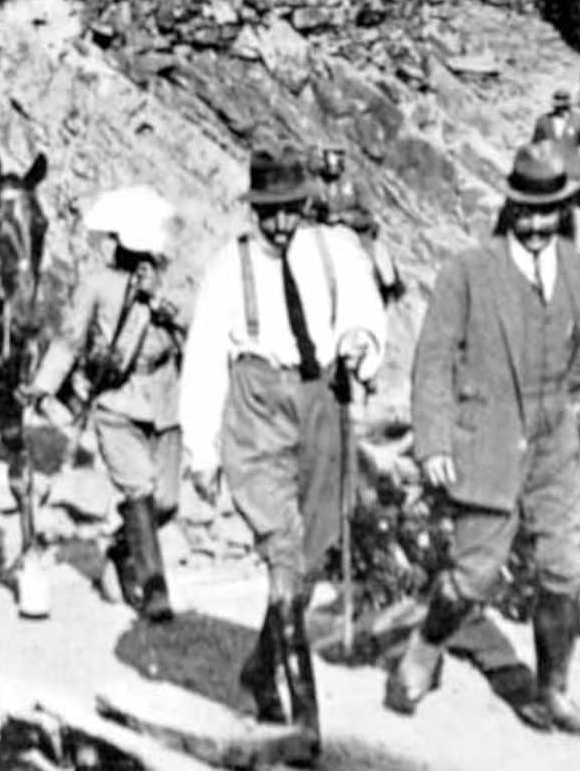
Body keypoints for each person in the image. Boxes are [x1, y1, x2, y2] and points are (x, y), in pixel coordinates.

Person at [386, 137, 580, 736]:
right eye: (526, 211)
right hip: (486, 440)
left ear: (563, 210)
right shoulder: (468, 273)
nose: (537, 224)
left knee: (565, 568)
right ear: (510, 207)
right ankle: (426, 645)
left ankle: (552, 692)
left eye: (549, 212)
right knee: (475, 576)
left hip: (552, 445)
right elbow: (433, 359)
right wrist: (435, 441)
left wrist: (558, 395)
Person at [178, 148, 388, 764]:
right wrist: (201, 448)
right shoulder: (228, 268)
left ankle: (260, 671)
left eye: (289, 212)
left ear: (305, 207)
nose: (279, 225)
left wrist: (359, 343)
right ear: (254, 210)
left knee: (315, 550)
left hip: (320, 400)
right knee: (283, 551)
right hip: (257, 407)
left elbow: (364, 314)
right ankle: (306, 722)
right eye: (268, 213)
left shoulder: (334, 251)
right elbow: (203, 360)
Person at [21, 186, 188, 623]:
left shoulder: (167, 286)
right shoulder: (95, 284)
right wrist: (44, 384)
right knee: (139, 490)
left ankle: (121, 548)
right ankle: (155, 590)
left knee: (167, 500)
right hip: (117, 401)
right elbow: (71, 339)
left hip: (166, 399)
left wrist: (159, 302)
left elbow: (193, 327)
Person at [310, 148, 405, 304]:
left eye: (334, 159)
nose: (330, 164)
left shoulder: (356, 182)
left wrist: (344, 218)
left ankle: (383, 293)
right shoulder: (319, 183)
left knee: (373, 265)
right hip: (327, 233)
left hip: (358, 234)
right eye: (327, 159)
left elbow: (367, 215)